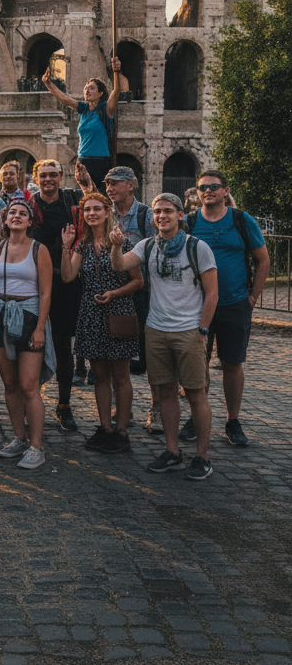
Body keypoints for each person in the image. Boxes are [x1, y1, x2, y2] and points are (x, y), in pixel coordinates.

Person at [111, 193, 218, 479]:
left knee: (196, 394)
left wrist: (202, 329)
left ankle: (202, 456)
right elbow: (120, 265)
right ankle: (172, 451)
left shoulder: (198, 248)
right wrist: (115, 246)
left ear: (181, 215)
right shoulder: (147, 246)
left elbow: (212, 292)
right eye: (157, 212)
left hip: (189, 331)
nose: (162, 216)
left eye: (168, 211)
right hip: (157, 330)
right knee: (165, 392)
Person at [183, 171, 269, 447]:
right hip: (198, 305)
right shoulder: (190, 223)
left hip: (234, 303)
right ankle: (198, 415)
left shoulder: (242, 221)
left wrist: (253, 296)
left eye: (214, 187)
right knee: (199, 365)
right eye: (203, 187)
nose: (208, 191)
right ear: (198, 193)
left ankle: (233, 420)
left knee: (232, 363)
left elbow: (262, 260)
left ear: (224, 191)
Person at [0, 199, 55, 469]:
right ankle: (19, 438)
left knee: (29, 386)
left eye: (23, 214)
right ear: (5, 220)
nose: (17, 216)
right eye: (12, 213)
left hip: (30, 317)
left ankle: (36, 446)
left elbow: (45, 292)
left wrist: (41, 327)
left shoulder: (39, 249)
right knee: (9, 384)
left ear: (30, 222)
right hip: (0, 315)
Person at [61, 193, 143, 454]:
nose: (91, 213)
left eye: (97, 209)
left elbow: (138, 281)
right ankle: (105, 428)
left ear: (108, 212)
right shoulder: (83, 245)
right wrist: (66, 247)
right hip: (91, 313)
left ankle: (121, 431)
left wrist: (114, 294)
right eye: (87, 209)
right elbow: (68, 276)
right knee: (100, 376)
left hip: (118, 311)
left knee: (121, 375)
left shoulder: (122, 242)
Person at [30, 159, 93, 431]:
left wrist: (87, 186)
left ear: (61, 177)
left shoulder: (73, 199)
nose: (48, 180)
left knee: (62, 346)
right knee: (31, 345)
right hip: (33, 283)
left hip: (66, 281)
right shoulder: (29, 205)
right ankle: (32, 402)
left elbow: (96, 210)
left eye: (53, 175)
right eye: (43, 175)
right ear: (36, 178)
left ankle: (64, 404)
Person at [103, 167, 158, 433]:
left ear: (131, 185)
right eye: (107, 184)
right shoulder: (106, 213)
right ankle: (120, 407)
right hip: (115, 294)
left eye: (115, 184)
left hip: (143, 293)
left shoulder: (146, 214)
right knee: (118, 355)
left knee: (151, 354)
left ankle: (156, 408)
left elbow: (157, 252)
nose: (110, 188)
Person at [41, 58, 122, 193]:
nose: (87, 91)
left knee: (100, 196)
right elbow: (64, 99)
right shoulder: (83, 109)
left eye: (91, 88)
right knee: (86, 196)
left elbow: (116, 92)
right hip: (83, 159)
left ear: (100, 93)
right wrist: (48, 83)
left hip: (100, 161)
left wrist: (116, 72)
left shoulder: (105, 109)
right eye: (85, 88)